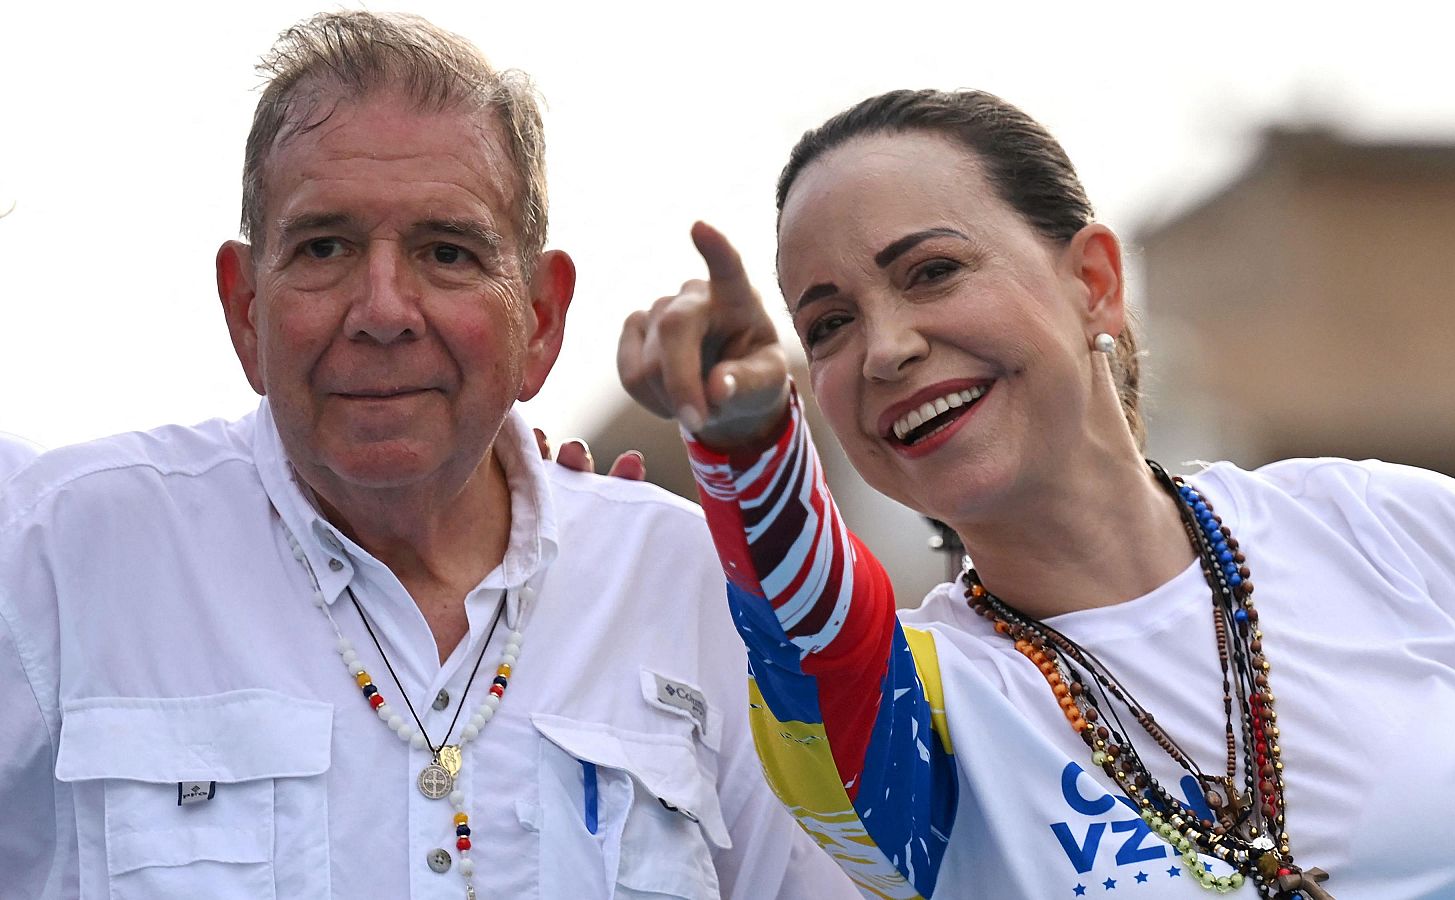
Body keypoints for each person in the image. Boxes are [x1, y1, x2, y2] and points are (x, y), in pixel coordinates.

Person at [619, 89, 1455, 899]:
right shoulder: (924, 712)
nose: (886, 348)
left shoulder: (1376, 531)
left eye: (932, 271)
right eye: (828, 325)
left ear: (1093, 281)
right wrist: (749, 442)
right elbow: (816, 643)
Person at [0, 12, 852, 899]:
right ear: (245, 308)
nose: (383, 310)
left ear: (541, 320)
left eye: (447, 253)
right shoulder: (60, 556)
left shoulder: (688, 586)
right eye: (324, 247)